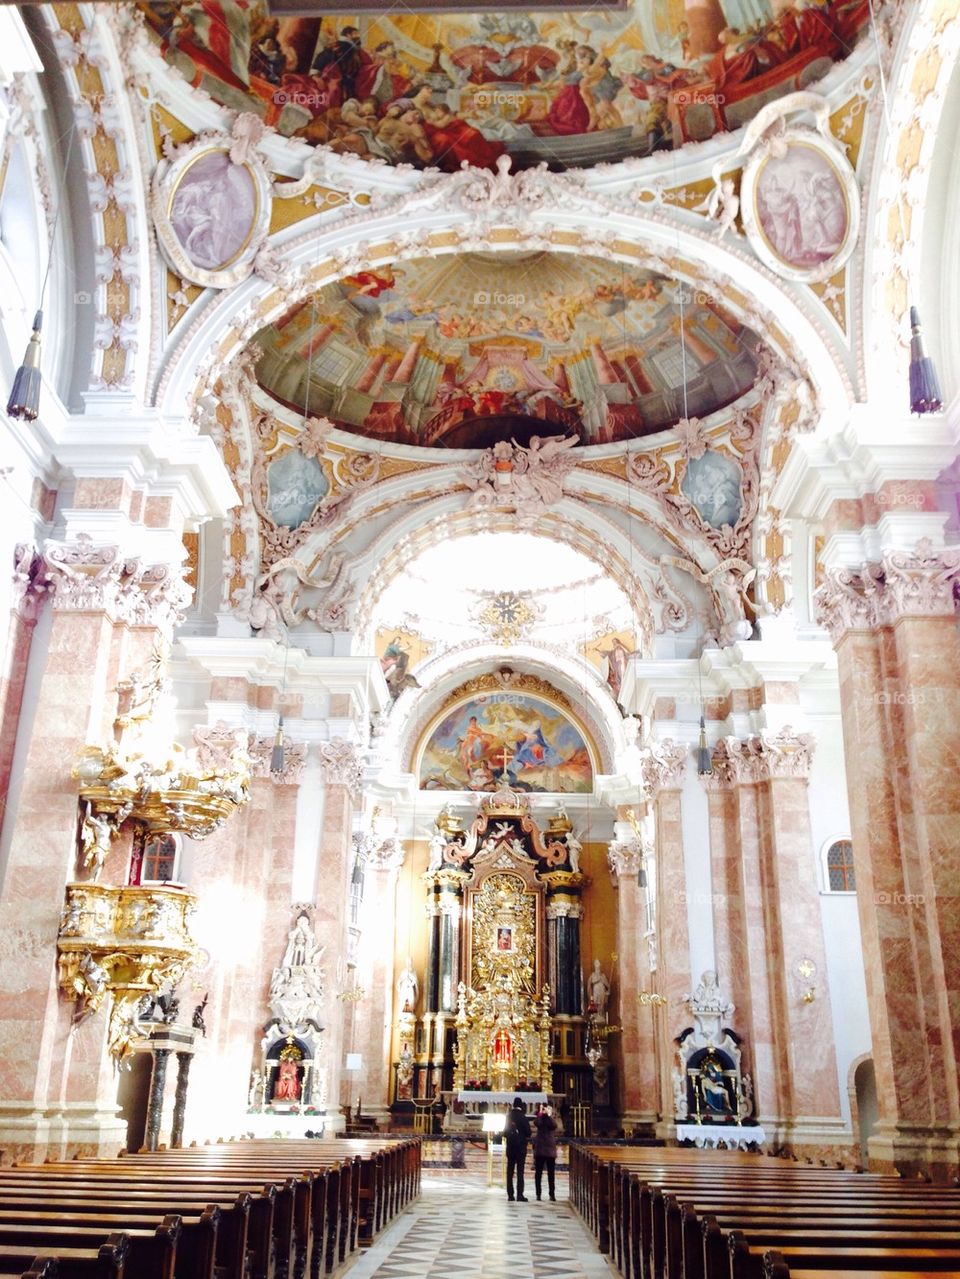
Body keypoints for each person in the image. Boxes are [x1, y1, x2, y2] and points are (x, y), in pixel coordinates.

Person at [504, 1097, 531, 1202]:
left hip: (510, 1147)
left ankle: (510, 1195)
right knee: (520, 1171)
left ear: (513, 1105)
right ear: (521, 1105)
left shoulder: (509, 1116)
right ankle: (520, 1195)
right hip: (520, 1147)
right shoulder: (523, 1117)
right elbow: (528, 1133)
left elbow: (505, 1133)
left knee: (510, 1171)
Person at [533, 1103, 559, 1201]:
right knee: (538, 1173)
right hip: (540, 1149)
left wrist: (549, 1115)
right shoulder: (540, 1118)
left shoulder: (550, 1119)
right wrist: (540, 1113)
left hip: (549, 1150)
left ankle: (552, 1194)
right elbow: (536, 1123)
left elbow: (554, 1125)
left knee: (551, 1174)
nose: (544, 1110)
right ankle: (538, 1194)